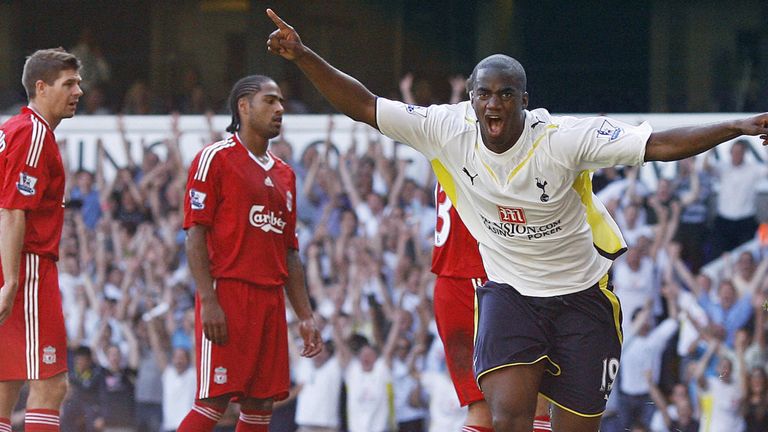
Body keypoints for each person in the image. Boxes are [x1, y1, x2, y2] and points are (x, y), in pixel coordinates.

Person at [265, 9, 768, 432]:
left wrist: (738, 126)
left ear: (525, 101)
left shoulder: (562, 140)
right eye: (485, 93)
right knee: (507, 419)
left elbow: (657, 144)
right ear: (472, 99)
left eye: (506, 94)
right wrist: (304, 55)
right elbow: (365, 106)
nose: (493, 103)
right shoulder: (446, 128)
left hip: (581, 297)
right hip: (509, 294)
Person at [177, 74, 323, 432]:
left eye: (281, 102)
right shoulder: (215, 158)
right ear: (244, 106)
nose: (280, 109)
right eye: (270, 101)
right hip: (229, 292)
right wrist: (209, 300)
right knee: (213, 400)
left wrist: (304, 315)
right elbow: (195, 234)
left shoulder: (286, 175)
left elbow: (290, 251)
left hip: (270, 299)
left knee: (260, 404)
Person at [0, 48, 82, 432]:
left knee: (6, 383)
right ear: (41, 87)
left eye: (78, 83)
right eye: (69, 84)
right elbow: (13, 209)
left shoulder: (12, 129)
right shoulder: (33, 133)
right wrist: (13, 280)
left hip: (12, 260)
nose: (78, 91)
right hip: (27, 267)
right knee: (51, 385)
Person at [432, 182, 551, 432]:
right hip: (480, 281)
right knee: (536, 399)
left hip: (451, 286)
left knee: (481, 410)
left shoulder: (444, 149)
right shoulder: (484, 148)